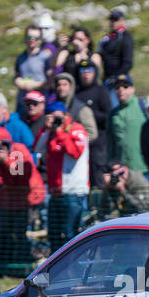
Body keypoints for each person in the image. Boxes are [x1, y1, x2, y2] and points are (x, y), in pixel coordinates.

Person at [0, 127, 44, 266]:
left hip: (27, 199)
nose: (0, 148)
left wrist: (6, 161)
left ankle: (23, 265)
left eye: (3, 144)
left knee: (21, 233)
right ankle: (7, 265)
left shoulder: (18, 151)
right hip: (7, 201)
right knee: (5, 234)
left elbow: (21, 177)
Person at [41, 101, 89, 251]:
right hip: (55, 192)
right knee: (53, 235)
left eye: (58, 117)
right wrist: (47, 130)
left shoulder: (77, 130)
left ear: (65, 115)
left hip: (73, 192)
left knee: (70, 235)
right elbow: (37, 149)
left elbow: (75, 152)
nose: (55, 120)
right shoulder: (50, 133)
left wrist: (61, 132)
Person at [108, 74, 149, 177]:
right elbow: (110, 142)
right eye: (117, 87)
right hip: (122, 171)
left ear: (132, 89)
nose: (121, 90)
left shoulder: (143, 106)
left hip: (145, 168)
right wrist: (112, 162)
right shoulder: (113, 114)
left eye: (125, 86)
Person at [13, 25, 52, 114]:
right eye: (30, 37)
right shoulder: (20, 58)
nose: (32, 39)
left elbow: (51, 80)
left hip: (39, 104)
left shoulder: (46, 57)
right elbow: (16, 76)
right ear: (25, 38)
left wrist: (35, 85)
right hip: (22, 103)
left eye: (36, 37)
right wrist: (17, 81)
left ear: (41, 40)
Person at [99, 9, 134, 107]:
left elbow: (128, 62)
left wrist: (117, 79)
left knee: (114, 106)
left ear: (122, 20)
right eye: (111, 19)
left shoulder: (125, 37)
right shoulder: (108, 38)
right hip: (106, 79)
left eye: (115, 19)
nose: (112, 22)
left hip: (118, 81)